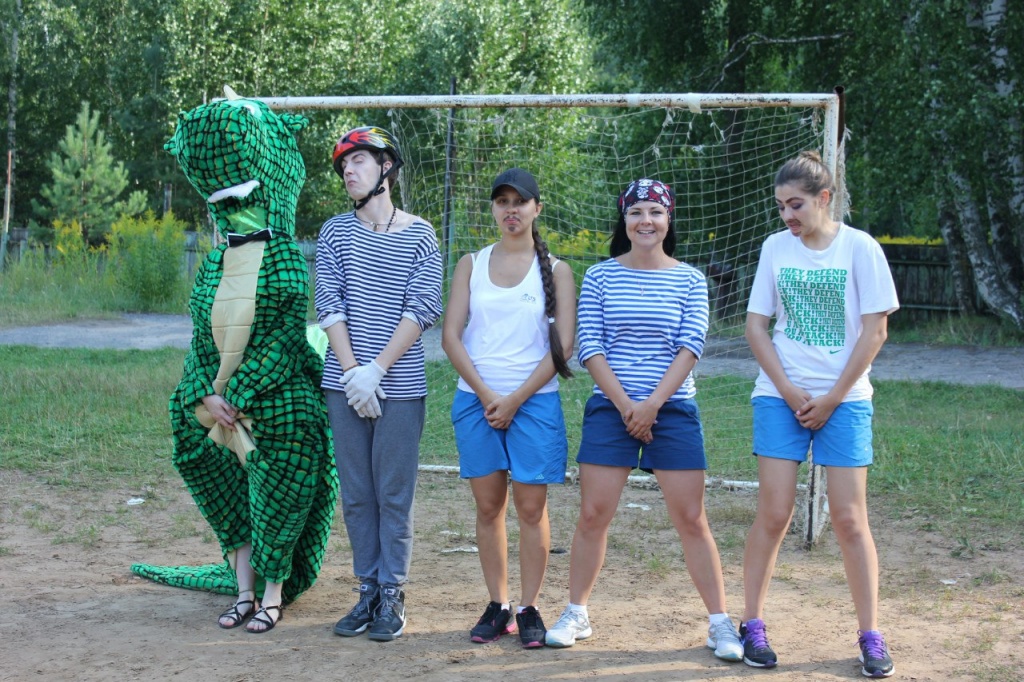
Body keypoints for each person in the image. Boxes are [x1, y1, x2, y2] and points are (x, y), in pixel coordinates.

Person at [135, 92, 338, 635]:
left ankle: (273, 592)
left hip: (269, 397)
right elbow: (200, 340)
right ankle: (243, 588)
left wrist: (241, 394)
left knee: (288, 444)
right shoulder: (212, 265)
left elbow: (286, 339)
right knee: (187, 428)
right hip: (218, 401)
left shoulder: (286, 260)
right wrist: (205, 391)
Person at [544, 178, 743, 662]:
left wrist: (652, 404)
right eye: (636, 212)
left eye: (655, 211)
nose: (645, 220)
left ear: (668, 219)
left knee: (691, 518)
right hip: (611, 409)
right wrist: (626, 406)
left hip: (672, 410)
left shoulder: (690, 280)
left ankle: (720, 622)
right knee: (593, 514)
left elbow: (690, 346)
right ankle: (576, 612)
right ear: (625, 220)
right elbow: (590, 345)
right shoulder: (600, 276)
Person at [740, 151, 899, 677]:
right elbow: (756, 327)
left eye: (796, 204)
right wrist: (788, 390)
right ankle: (752, 624)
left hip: (845, 401)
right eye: (781, 206)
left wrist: (832, 396)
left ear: (824, 198)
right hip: (779, 397)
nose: (787, 215)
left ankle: (871, 636)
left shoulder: (861, 247)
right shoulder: (774, 248)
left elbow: (876, 331)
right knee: (775, 512)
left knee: (850, 519)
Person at [315, 126, 443, 642]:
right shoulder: (334, 233)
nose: (348, 170)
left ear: (387, 167)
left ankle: (393, 592)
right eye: (344, 165)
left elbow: (423, 307)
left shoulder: (420, 234)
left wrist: (378, 371)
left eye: (359, 161)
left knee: (393, 493)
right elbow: (329, 303)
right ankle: (367, 589)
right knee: (356, 494)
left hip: (400, 387)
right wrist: (352, 374)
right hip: (343, 385)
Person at [441, 168, 576, 648]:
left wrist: (515, 399)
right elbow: (451, 336)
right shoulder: (471, 264)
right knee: (488, 506)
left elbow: (563, 347)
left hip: (533, 404)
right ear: (494, 209)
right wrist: (486, 395)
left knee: (531, 508)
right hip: (476, 402)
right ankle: (499, 605)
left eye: (520, 201)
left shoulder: (557, 270)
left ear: (537, 208)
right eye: (502, 201)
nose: (511, 210)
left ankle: (529, 607)